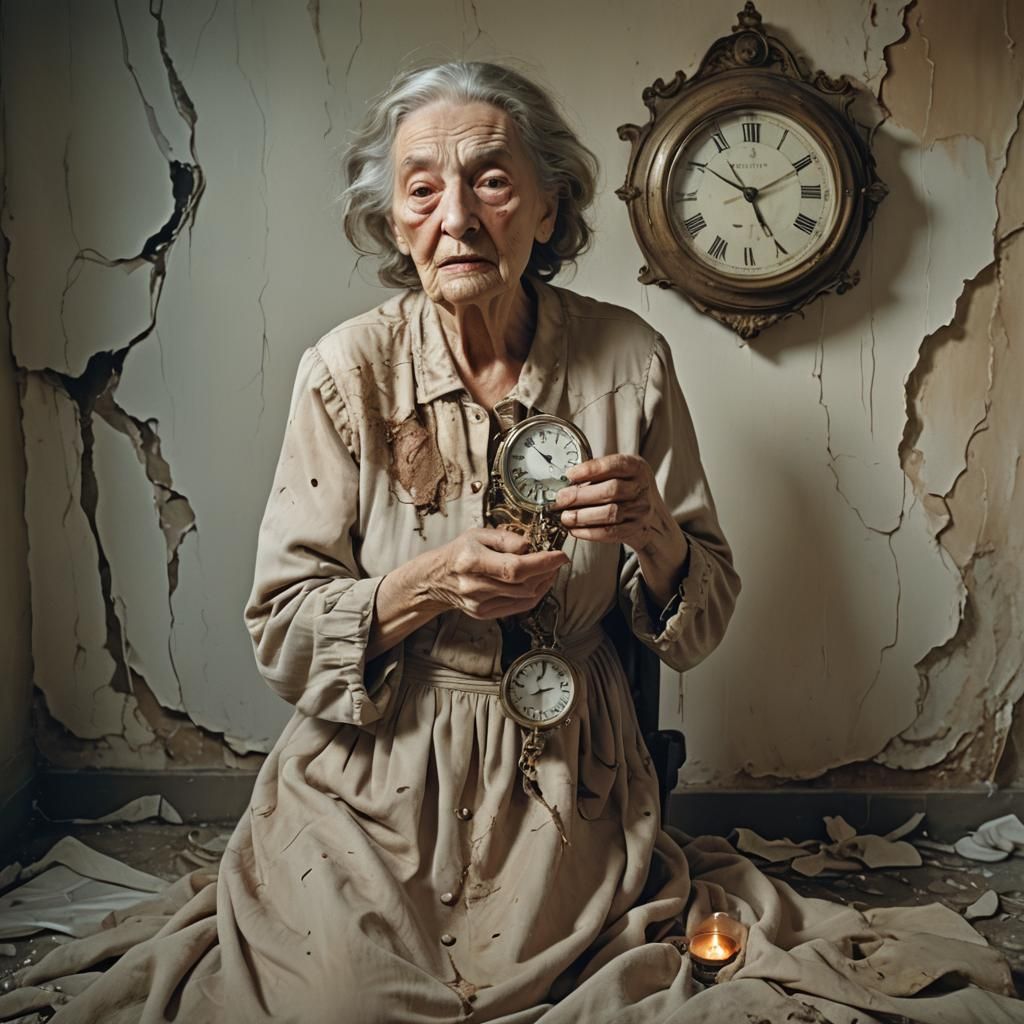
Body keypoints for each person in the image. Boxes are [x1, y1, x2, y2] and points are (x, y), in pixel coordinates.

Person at [2, 60, 1021, 1024]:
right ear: (393, 222)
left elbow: (701, 613)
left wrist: (655, 535)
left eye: (490, 181)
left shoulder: (628, 357)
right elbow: (280, 628)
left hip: (564, 765)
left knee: (539, 990)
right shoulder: (345, 370)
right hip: (374, 769)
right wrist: (426, 582)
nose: (456, 218)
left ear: (547, 206)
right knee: (348, 1001)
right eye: (420, 191)